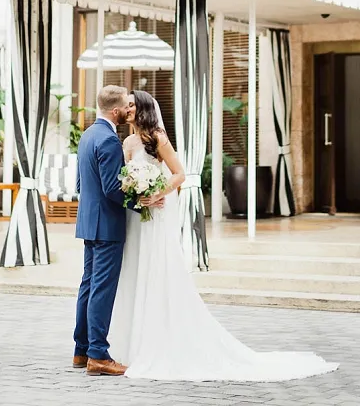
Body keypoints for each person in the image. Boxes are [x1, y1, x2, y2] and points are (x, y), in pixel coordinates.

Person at [108, 89, 338, 382]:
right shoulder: (127, 142)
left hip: (155, 215)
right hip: (136, 219)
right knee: (135, 271)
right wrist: (134, 191)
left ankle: (158, 340)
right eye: (124, 105)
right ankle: (131, 344)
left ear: (141, 109)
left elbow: (178, 173)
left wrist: (157, 192)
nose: (126, 109)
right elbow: (125, 177)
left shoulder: (158, 138)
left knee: (157, 271)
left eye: (130, 105)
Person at [72, 85, 162, 376]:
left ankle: (81, 349)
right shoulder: (110, 140)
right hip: (108, 225)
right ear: (115, 111)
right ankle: (98, 354)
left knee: (88, 285)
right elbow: (112, 189)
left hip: (88, 222)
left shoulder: (87, 135)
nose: (129, 110)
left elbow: (80, 186)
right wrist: (142, 204)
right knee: (102, 288)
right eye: (126, 106)